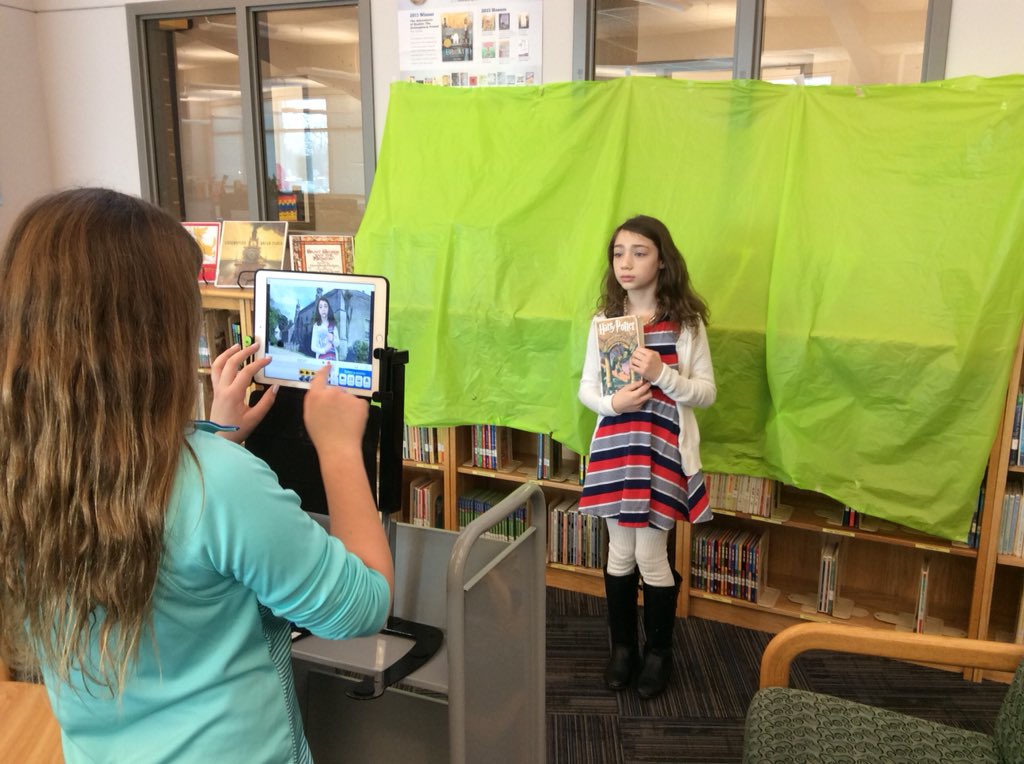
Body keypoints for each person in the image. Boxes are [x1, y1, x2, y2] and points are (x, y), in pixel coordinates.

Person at [0, 188, 394, 762]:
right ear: (151, 337)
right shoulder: (220, 484)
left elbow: (149, 520)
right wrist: (338, 448)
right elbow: (362, 608)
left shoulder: (22, 469)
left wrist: (217, 434)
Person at [578, 214, 716, 699]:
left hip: (662, 451)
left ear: (662, 260)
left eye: (639, 252)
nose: (626, 263)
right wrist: (614, 403)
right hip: (618, 448)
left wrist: (662, 373)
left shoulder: (686, 324)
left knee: (649, 554)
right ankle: (622, 650)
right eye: (619, 253)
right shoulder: (605, 323)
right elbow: (588, 390)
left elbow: (705, 393)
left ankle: (658, 654)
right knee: (619, 551)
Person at [311, 295, 338, 360]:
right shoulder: (316, 326)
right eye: (320, 307)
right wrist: (324, 350)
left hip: (333, 360)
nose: (323, 309)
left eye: (325, 306)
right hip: (321, 361)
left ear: (328, 309)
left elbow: (337, 343)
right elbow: (313, 347)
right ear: (318, 310)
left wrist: (333, 339)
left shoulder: (333, 324)